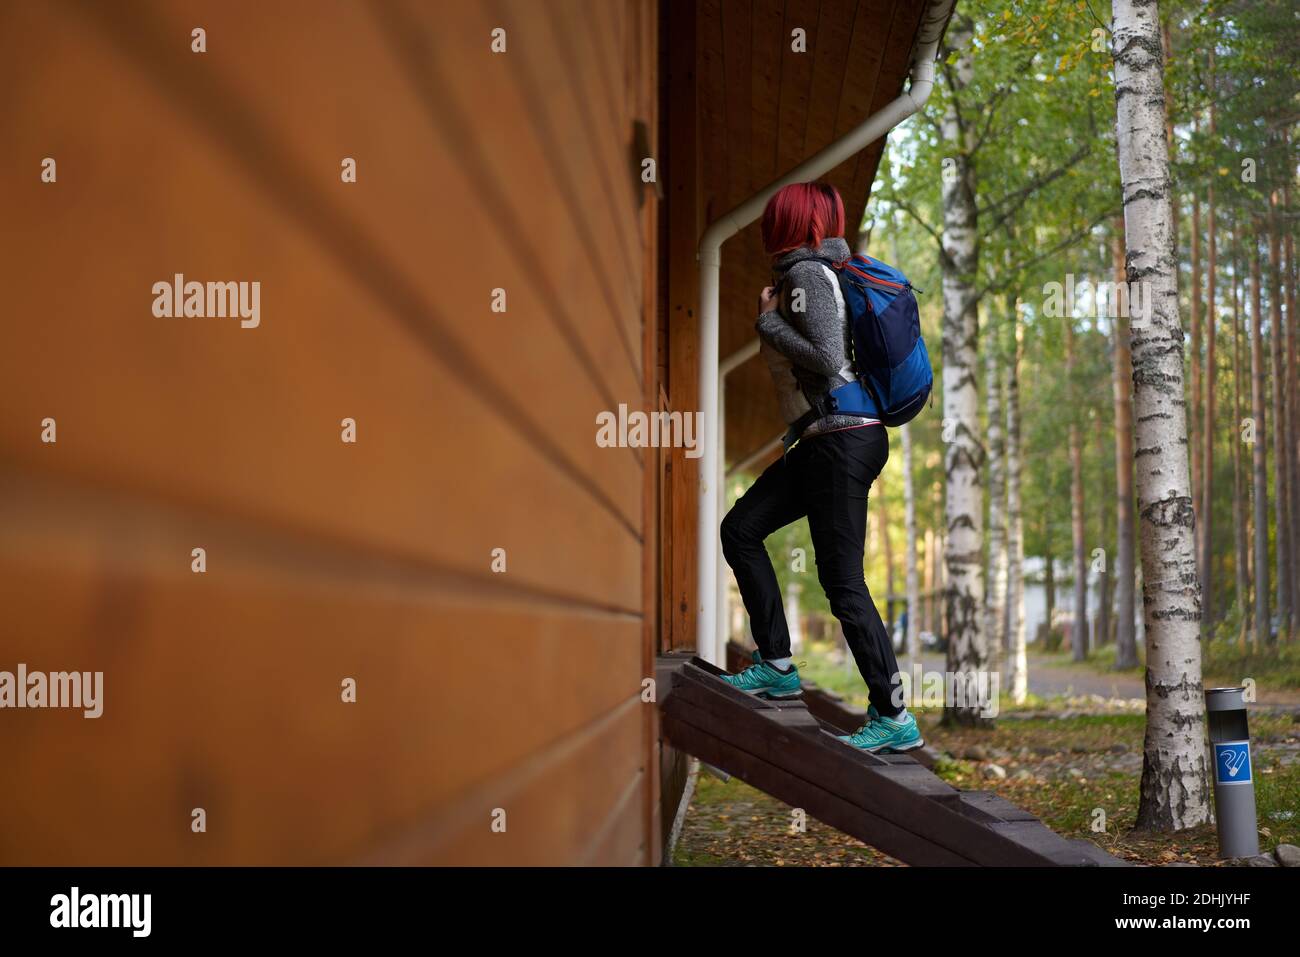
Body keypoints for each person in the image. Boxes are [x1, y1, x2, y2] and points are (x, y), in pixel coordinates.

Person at [719, 181, 922, 754]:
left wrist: (768, 323)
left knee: (842, 583)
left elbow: (830, 361)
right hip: (824, 442)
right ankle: (779, 665)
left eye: (774, 216)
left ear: (794, 222)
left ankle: (893, 715)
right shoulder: (803, 276)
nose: (766, 225)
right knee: (741, 530)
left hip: (842, 442)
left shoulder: (807, 277)